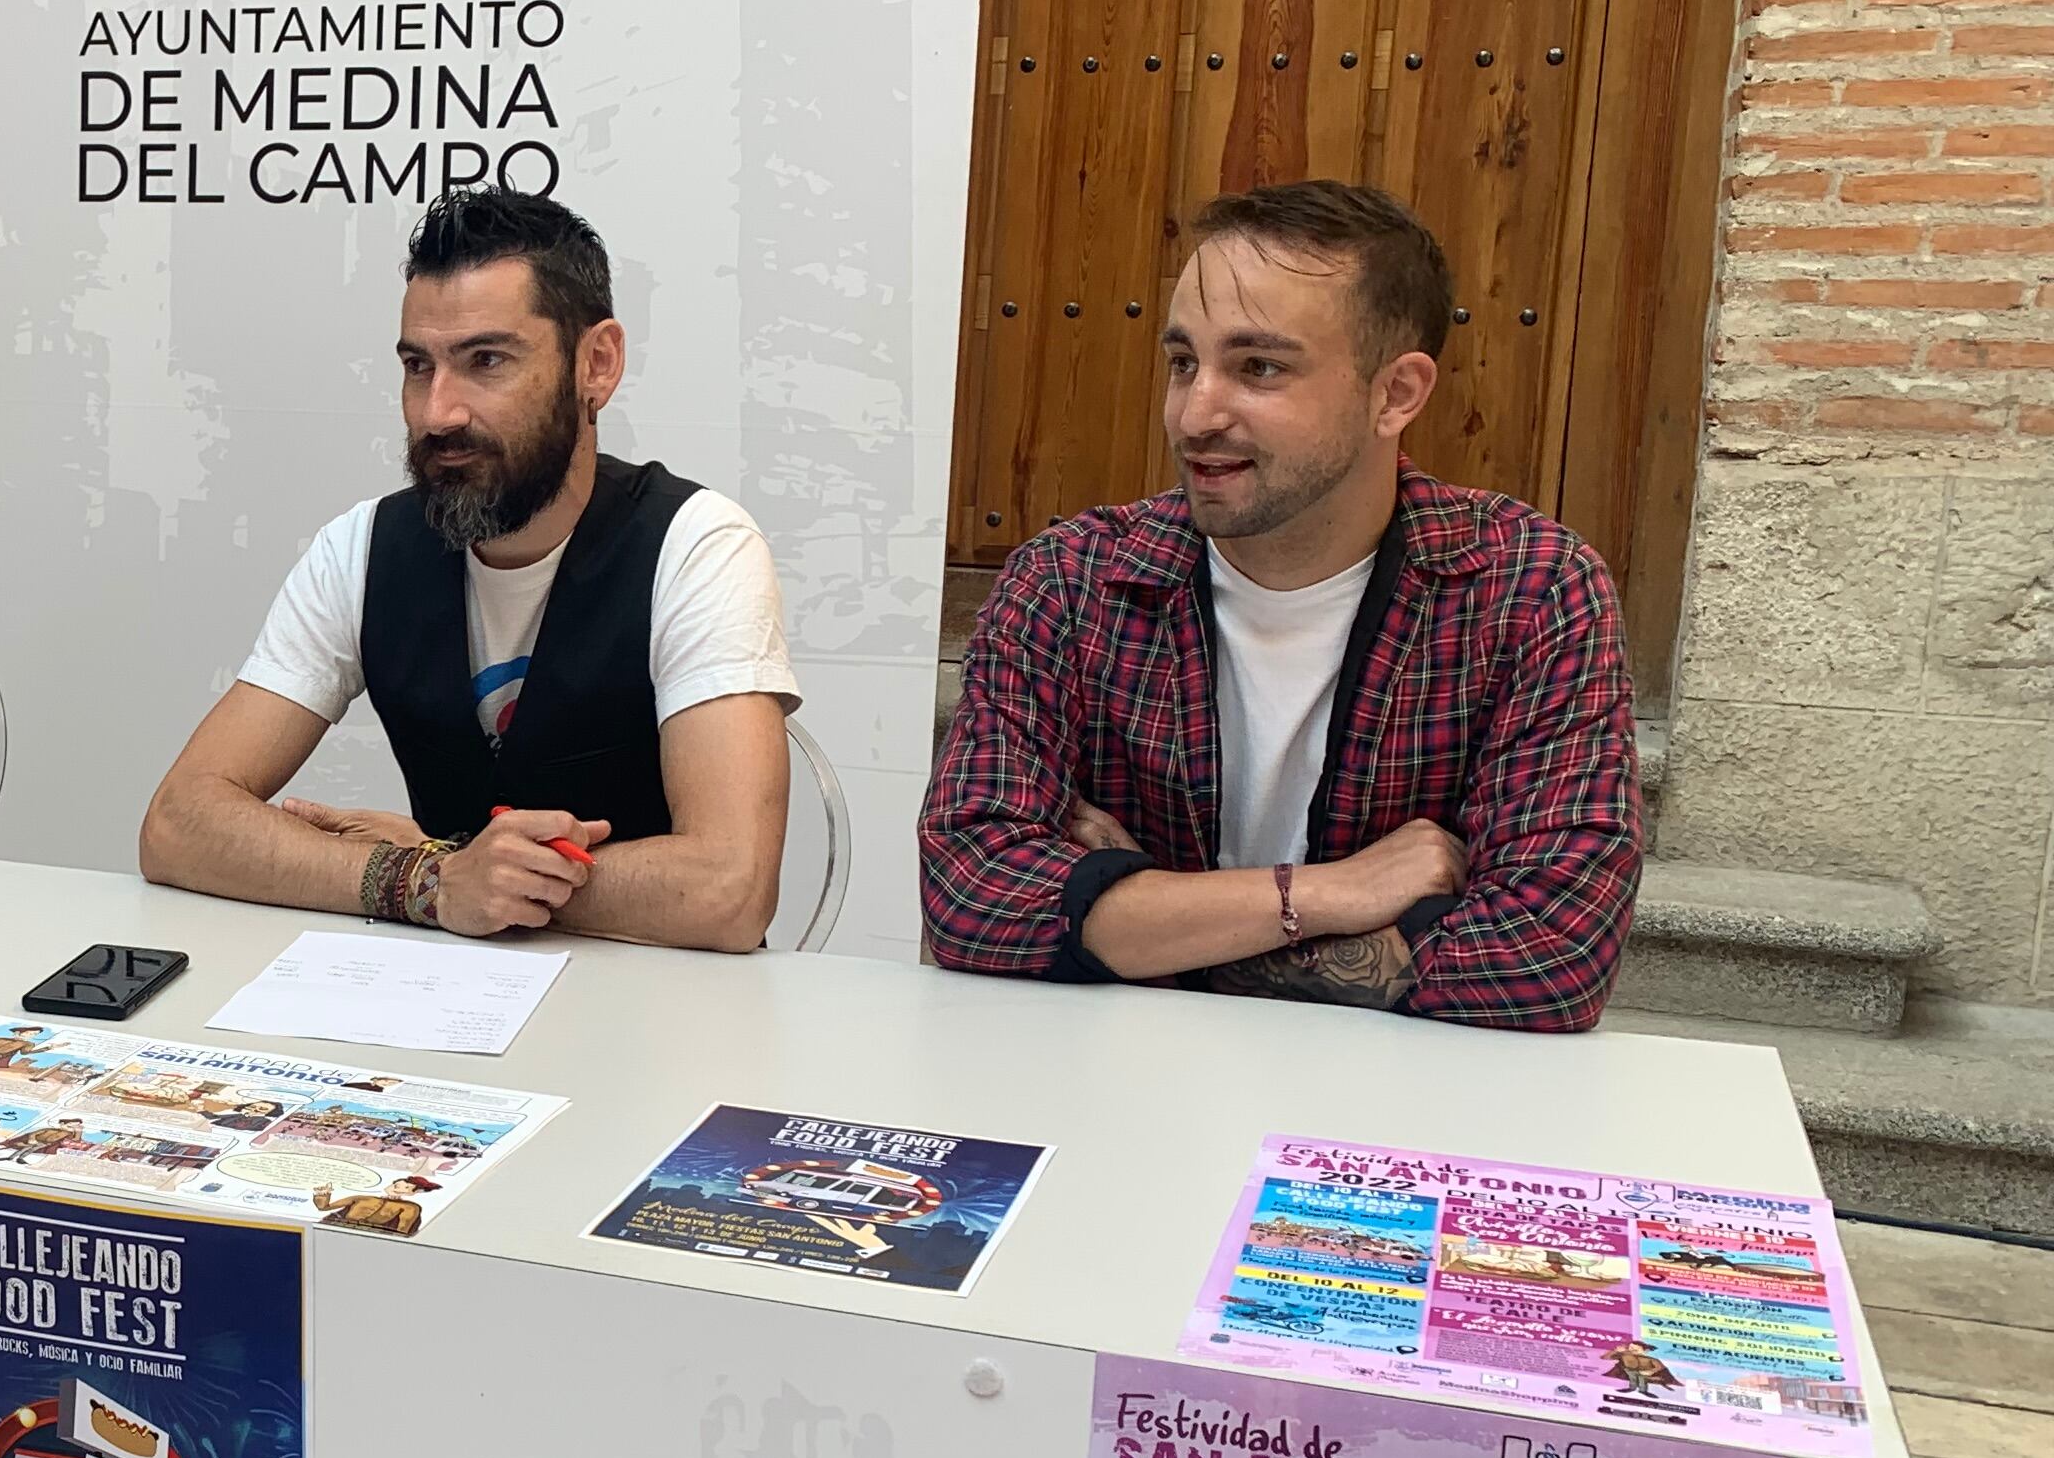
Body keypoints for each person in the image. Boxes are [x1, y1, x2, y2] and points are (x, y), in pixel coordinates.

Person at [919, 180, 1638, 1030]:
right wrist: (1335, 895)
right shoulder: (1069, 581)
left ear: (1396, 394)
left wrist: (1138, 920)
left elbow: (1549, 953)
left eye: (1259, 367)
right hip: (1113, 1085)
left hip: (1397, 1114)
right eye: (1184, 362)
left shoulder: (1528, 590)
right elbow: (969, 894)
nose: (1196, 412)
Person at [136, 188, 796, 950]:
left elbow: (728, 889)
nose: (438, 413)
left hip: (657, 1011)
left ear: (598, 364)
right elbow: (179, 823)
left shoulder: (695, 547)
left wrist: (445, 866)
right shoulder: (362, 548)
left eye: (487, 361)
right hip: (442, 1001)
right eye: (419, 367)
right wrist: (425, 881)